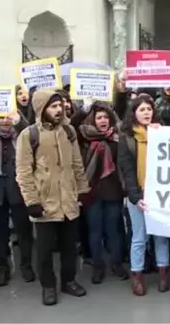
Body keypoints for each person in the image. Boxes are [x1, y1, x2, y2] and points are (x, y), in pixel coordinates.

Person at [15, 89, 90, 306]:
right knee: (45, 250)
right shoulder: (29, 135)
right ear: (41, 109)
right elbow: (24, 172)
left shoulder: (68, 131)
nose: (59, 110)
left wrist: (82, 191)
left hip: (69, 200)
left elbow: (76, 164)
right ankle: (48, 286)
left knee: (69, 246)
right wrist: (31, 202)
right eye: (53, 106)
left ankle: (69, 280)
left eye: (60, 106)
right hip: (44, 203)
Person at [117, 95, 170, 296]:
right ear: (134, 114)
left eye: (149, 109)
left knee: (161, 235)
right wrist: (135, 196)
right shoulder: (127, 138)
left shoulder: (162, 133)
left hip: (160, 194)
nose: (146, 112)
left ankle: (164, 270)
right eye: (142, 110)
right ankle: (137, 275)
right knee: (139, 237)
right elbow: (126, 169)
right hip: (138, 194)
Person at [73, 100, 128, 284]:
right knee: (95, 231)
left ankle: (117, 264)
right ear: (93, 120)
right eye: (99, 117)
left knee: (114, 231)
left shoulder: (119, 137)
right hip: (91, 192)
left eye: (106, 117)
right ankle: (98, 266)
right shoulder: (85, 137)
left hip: (114, 191)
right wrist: (84, 108)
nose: (103, 120)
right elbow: (73, 124)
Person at [0, 113, 35, 286]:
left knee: (24, 232)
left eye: (7, 116)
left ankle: (26, 266)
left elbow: (29, 129)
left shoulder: (21, 135)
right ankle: (2, 268)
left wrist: (19, 118)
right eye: (0, 117)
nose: (4, 120)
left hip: (18, 191)